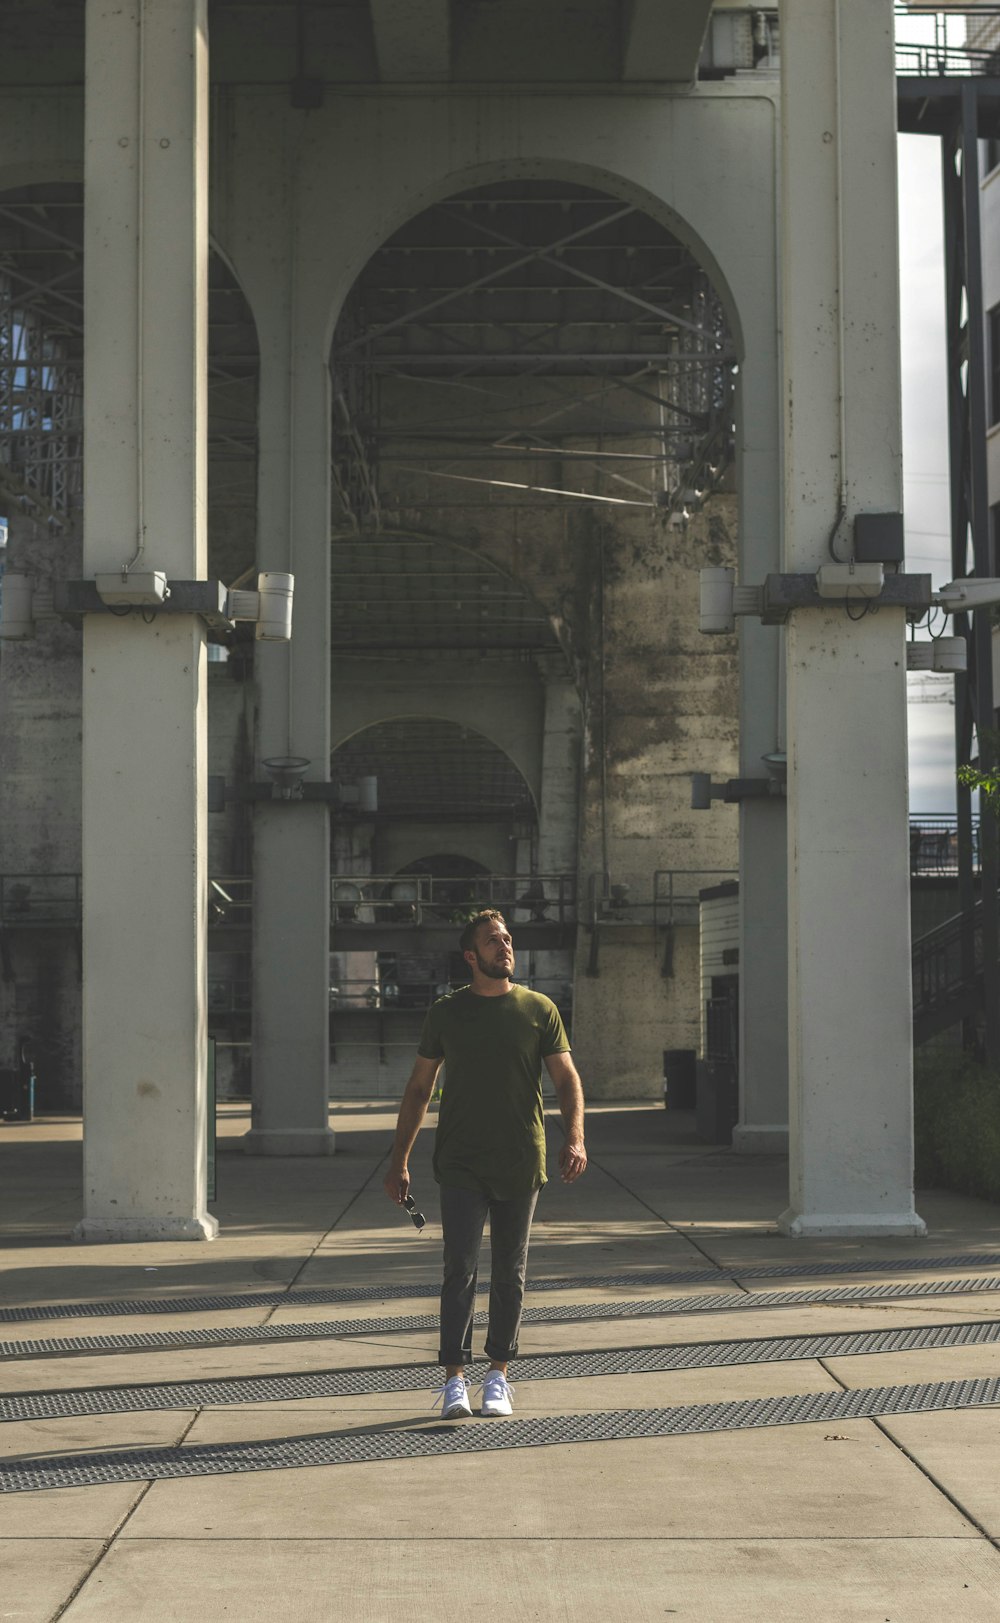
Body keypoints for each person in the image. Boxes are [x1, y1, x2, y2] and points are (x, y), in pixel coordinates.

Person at [384, 908, 587, 1418]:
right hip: (460, 1162)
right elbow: (418, 1089)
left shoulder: (539, 1009)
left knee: (510, 1273)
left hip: (521, 1160)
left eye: (508, 938)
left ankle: (498, 1375)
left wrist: (576, 1139)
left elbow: (567, 1081)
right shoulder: (446, 1013)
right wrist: (399, 1161)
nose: (505, 946)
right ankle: (454, 1379)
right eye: (494, 941)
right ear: (471, 955)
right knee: (460, 1269)